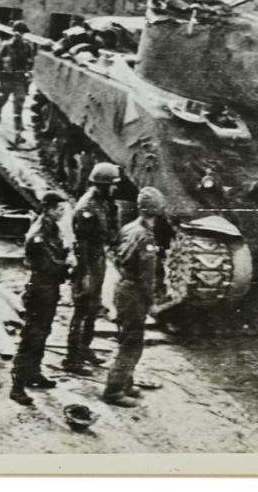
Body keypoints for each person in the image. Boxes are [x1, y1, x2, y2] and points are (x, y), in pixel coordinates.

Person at [103, 187, 168, 407]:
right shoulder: (146, 237)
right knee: (131, 344)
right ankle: (113, 391)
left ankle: (125, 384)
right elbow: (146, 277)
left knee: (127, 338)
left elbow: (114, 253)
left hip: (123, 288)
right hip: (135, 294)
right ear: (157, 211)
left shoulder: (129, 228)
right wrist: (151, 302)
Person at [10, 191, 74, 406]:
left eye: (64, 210)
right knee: (31, 336)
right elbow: (49, 265)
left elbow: (62, 249)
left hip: (50, 288)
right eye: (59, 209)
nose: (62, 213)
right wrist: (68, 264)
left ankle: (33, 373)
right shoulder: (38, 234)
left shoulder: (52, 227)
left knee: (43, 333)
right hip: (40, 289)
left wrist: (66, 255)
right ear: (48, 209)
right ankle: (17, 385)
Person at [63, 162, 121, 376]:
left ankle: (84, 348)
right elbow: (82, 243)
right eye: (112, 185)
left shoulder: (105, 202)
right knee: (81, 309)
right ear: (102, 185)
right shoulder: (87, 207)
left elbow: (111, 231)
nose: (115, 188)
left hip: (97, 258)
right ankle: (71, 359)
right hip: (86, 261)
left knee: (93, 307)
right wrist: (85, 273)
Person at [0, 20, 34, 145]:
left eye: (21, 32)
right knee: (0, 104)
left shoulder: (27, 47)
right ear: (13, 32)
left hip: (19, 80)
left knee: (18, 107)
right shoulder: (6, 46)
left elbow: (31, 63)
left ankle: (17, 134)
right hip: (6, 79)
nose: (18, 34)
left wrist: (28, 73)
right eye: (16, 31)